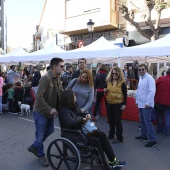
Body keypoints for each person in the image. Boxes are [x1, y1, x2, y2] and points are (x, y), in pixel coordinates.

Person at [59, 89, 126, 170]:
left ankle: (113, 161)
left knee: (102, 135)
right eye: (74, 95)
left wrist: (86, 115)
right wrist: (81, 119)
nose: (75, 96)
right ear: (69, 98)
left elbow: (81, 113)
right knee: (96, 141)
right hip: (74, 134)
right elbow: (70, 122)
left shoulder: (74, 105)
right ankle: (105, 165)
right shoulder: (63, 110)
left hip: (81, 131)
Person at [27, 57, 64, 167]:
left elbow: (61, 92)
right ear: (54, 66)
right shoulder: (45, 78)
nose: (63, 68)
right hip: (41, 111)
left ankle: (35, 146)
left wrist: (69, 97)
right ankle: (40, 154)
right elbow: (39, 98)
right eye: (61, 66)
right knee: (40, 135)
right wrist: (50, 109)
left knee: (50, 130)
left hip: (50, 112)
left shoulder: (58, 77)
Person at [135, 63, 157, 147]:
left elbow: (152, 91)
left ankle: (153, 140)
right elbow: (138, 90)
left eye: (142, 69)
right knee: (142, 121)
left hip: (146, 105)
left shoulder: (149, 78)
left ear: (146, 69)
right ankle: (144, 136)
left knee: (148, 122)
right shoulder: (141, 78)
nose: (141, 71)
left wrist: (148, 102)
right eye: (139, 69)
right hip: (141, 103)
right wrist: (137, 100)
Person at [105, 67, 127, 144]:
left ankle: (119, 137)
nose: (114, 75)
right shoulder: (108, 81)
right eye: (113, 73)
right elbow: (107, 90)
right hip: (109, 103)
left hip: (118, 104)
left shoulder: (122, 83)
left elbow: (125, 94)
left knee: (117, 121)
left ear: (119, 74)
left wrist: (124, 104)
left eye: (116, 74)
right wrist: (106, 90)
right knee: (110, 120)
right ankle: (111, 135)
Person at [155, 68, 170, 136]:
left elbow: (154, 88)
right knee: (167, 116)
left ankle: (159, 130)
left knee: (160, 116)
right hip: (169, 102)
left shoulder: (160, 78)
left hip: (159, 100)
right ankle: (166, 132)